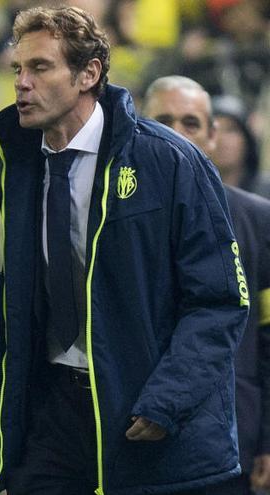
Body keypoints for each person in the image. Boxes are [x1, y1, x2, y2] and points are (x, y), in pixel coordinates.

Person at [0, 6, 248, 495]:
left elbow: (219, 299)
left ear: (89, 73)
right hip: (51, 412)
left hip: (140, 412)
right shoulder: (22, 162)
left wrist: (168, 400)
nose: (22, 82)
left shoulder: (168, 160)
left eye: (40, 67)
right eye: (18, 69)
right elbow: (29, 278)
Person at [142, 75, 270, 495]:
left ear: (213, 135)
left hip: (233, 436)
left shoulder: (258, 220)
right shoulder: (111, 215)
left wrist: (268, 439)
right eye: (162, 119)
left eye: (191, 123)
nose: (176, 134)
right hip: (136, 433)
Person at [208, 94, 270, 199]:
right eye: (214, 130)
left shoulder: (266, 190)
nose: (221, 139)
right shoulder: (193, 190)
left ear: (246, 138)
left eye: (231, 130)